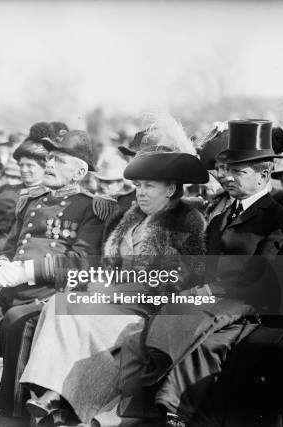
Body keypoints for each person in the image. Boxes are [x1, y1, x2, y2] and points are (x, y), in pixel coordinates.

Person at [20, 130, 209, 426]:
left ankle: (59, 398)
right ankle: (51, 393)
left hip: (148, 310)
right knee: (60, 304)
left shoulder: (188, 220)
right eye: (138, 185)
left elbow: (180, 279)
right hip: (114, 301)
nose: (141, 192)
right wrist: (98, 284)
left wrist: (113, 291)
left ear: (171, 189)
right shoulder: (129, 216)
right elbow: (108, 265)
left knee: (78, 315)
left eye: (149, 186)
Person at [127, 119, 283, 426]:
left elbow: (261, 273)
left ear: (264, 175)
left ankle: (176, 409)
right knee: (167, 316)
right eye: (226, 170)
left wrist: (210, 290)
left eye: (238, 171)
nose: (226, 177)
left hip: (252, 305)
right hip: (215, 299)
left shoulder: (282, 219)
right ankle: (156, 404)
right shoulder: (224, 216)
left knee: (207, 340)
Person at [0, 130, 116, 426]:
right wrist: (1, 268)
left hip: (48, 301)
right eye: (49, 158)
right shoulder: (31, 201)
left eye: (59, 160)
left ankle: (16, 411)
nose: (49, 165)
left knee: (17, 319)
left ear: (80, 171)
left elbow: (83, 263)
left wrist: (28, 271)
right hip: (10, 295)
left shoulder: (93, 208)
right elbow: (9, 248)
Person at [0, 123, 51, 301]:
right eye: (21, 165)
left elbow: (20, 236)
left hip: (9, 254)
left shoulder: (45, 197)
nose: (24, 170)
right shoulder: (6, 189)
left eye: (30, 166)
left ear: (44, 168)